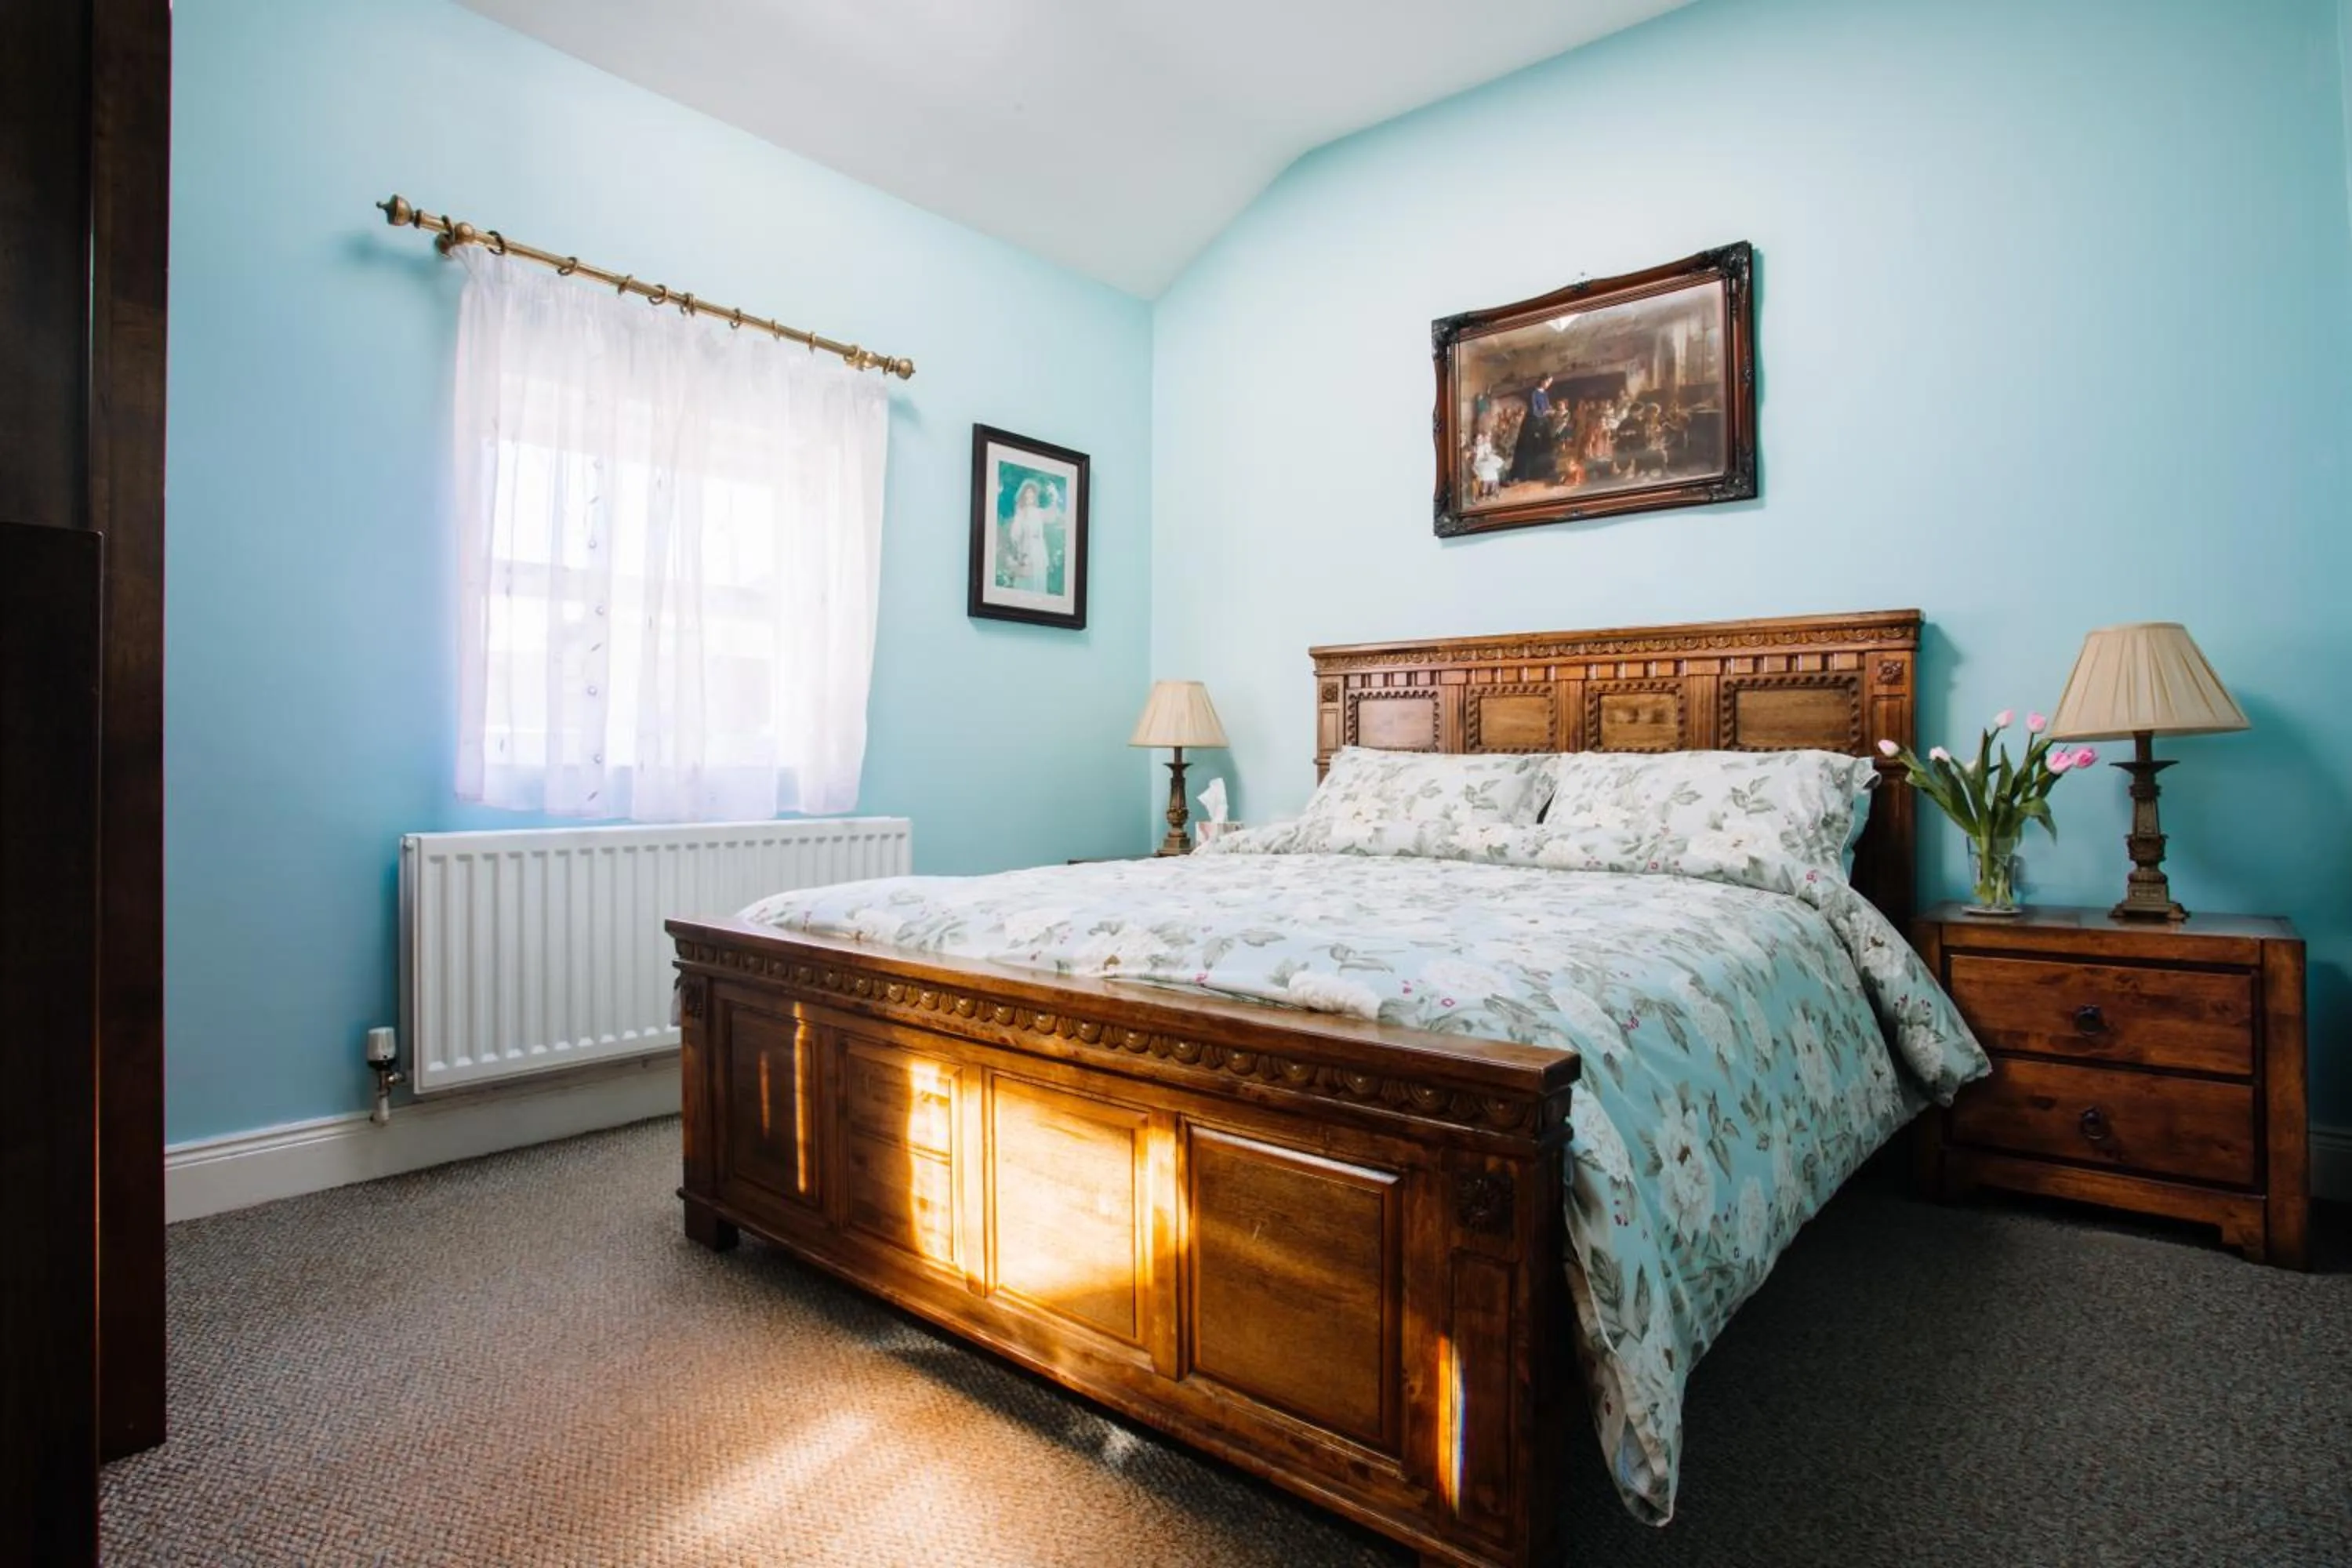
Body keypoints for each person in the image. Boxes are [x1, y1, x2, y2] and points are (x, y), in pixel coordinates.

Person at [1507, 375, 1559, 485]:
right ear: (1543, 381)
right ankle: (1523, 475)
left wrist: (1551, 410)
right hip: (1532, 424)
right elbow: (1535, 411)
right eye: (1548, 382)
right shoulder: (1533, 393)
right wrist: (1547, 412)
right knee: (1528, 449)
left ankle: (1544, 473)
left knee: (1545, 447)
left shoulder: (1545, 394)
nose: (1549, 385)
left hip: (1543, 423)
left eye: (1550, 382)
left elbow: (1546, 406)